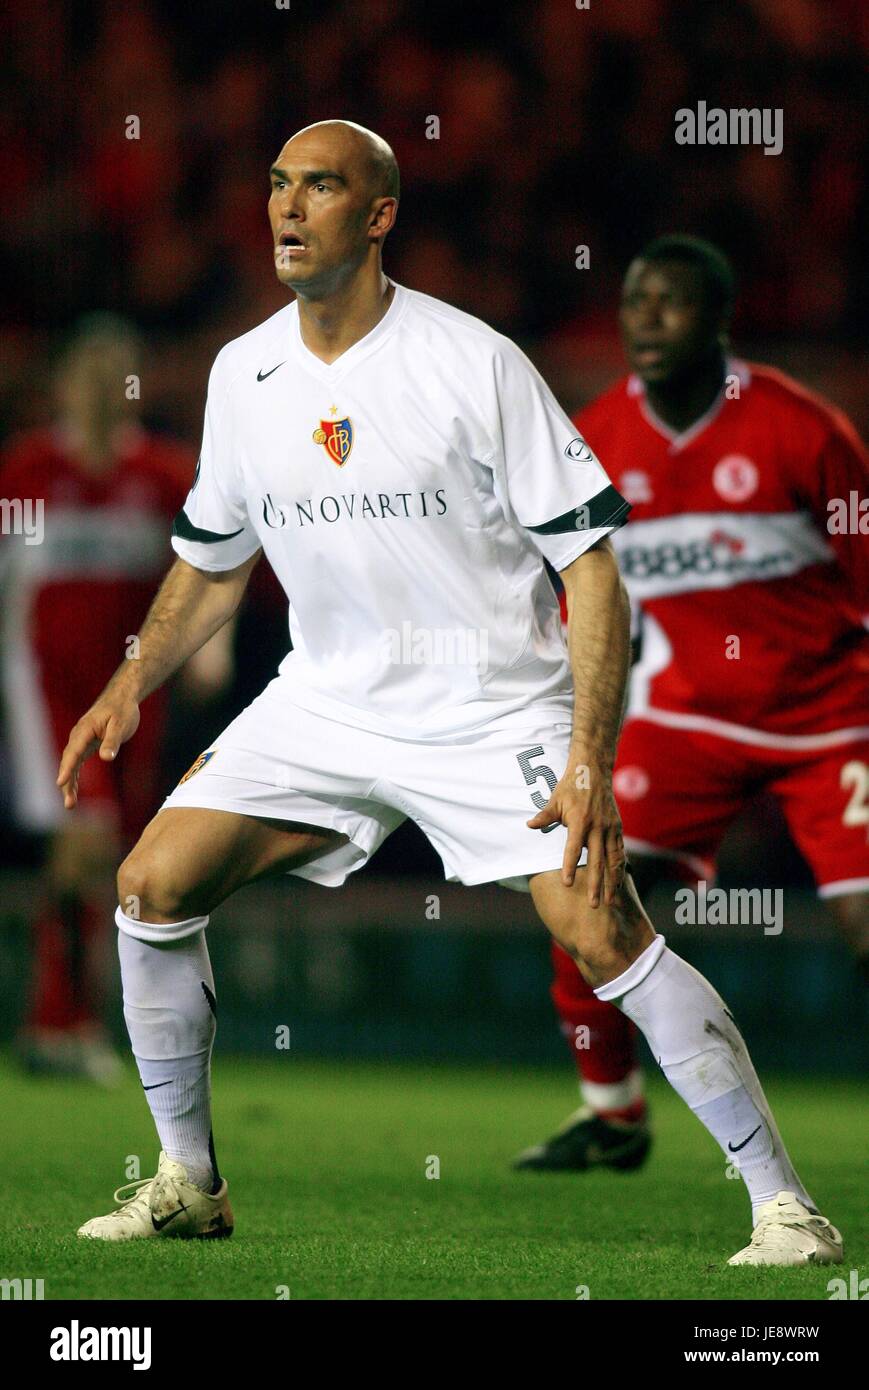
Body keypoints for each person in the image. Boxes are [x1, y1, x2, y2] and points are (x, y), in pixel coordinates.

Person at [61, 126, 841, 1265]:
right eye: (277, 185)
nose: (287, 207)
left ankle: (783, 1206)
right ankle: (188, 1181)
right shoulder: (244, 372)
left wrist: (586, 756)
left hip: (490, 704)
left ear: (376, 215)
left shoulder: (471, 361)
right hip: (325, 704)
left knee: (595, 926)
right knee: (150, 882)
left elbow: (589, 565)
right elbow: (214, 559)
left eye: (318, 186)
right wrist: (132, 678)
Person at [514, 236, 868, 1175]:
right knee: (582, 884)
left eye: (671, 303)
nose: (647, 321)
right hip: (683, 720)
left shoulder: (803, 432)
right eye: (635, 303)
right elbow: (585, 612)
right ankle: (613, 1113)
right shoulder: (594, 445)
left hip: (829, 716)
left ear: (719, 320)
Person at [0, 315, 220, 1082]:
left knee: (116, 855)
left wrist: (208, 647)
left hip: (133, 697)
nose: (98, 393)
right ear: (62, 386)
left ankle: (59, 1020)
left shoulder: (161, 475)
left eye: (113, 377)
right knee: (85, 840)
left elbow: (205, 569)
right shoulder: (25, 473)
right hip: (46, 691)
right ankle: (63, 1020)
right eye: (86, 377)